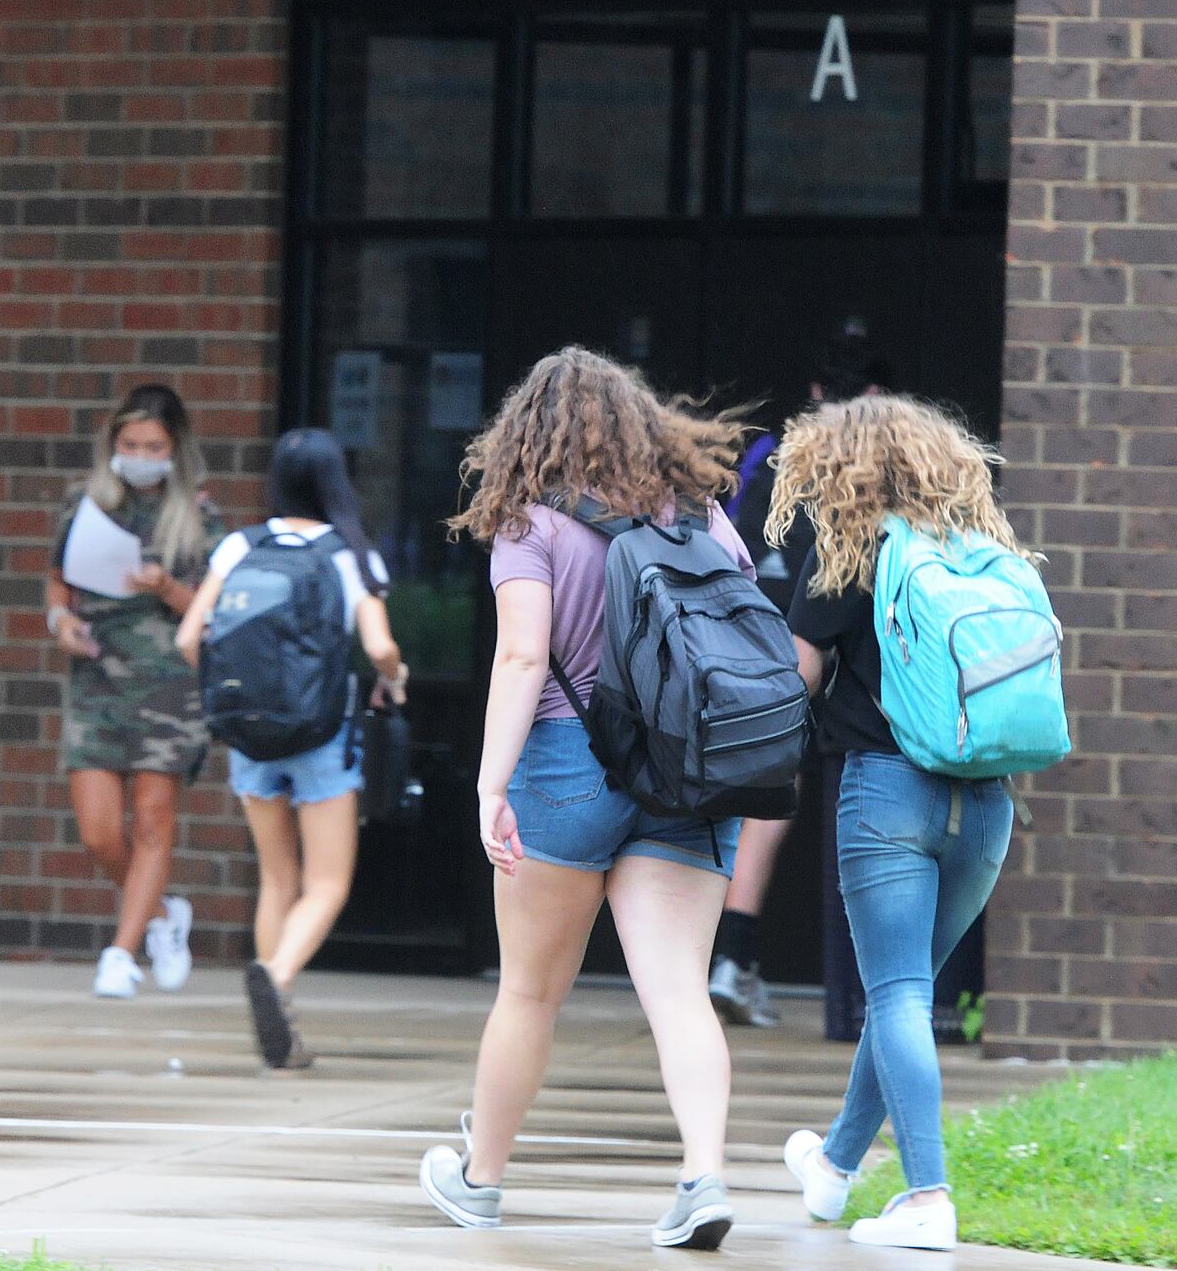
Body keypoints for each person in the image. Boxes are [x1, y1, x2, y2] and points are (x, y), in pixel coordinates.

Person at [423, 346, 756, 1248]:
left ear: (525, 431)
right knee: (680, 989)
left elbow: (523, 657)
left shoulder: (530, 522)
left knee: (529, 992)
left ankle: (480, 1179)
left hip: (568, 761)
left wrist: (491, 782)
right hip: (686, 770)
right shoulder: (707, 521)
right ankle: (703, 1174)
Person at [766, 395, 1022, 1252]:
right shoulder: (988, 551)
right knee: (901, 991)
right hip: (985, 803)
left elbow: (795, 676)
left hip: (887, 792)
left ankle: (925, 1194)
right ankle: (836, 1170)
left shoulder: (854, 549)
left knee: (899, 993)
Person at [175, 428, 406, 1070]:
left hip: (250, 733)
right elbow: (381, 647)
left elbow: (189, 639)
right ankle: (275, 982)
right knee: (327, 882)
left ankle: (280, 1021)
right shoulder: (349, 555)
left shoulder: (238, 547)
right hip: (322, 733)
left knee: (277, 878)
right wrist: (394, 677)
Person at [709, 340, 892, 1030]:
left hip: (751, 647)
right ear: (877, 397)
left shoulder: (773, 459)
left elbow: (729, 545)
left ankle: (729, 954)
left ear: (816, 389)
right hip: (831, 663)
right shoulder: (877, 469)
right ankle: (861, 983)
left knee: (752, 802)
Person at [46, 384, 225, 999]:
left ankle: (120, 954)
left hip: (169, 685)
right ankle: (159, 916)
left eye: (154, 445)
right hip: (97, 679)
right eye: (130, 444)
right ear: (112, 444)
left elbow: (210, 606)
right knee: (99, 831)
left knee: (153, 819)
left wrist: (164, 587)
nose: (141, 454)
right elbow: (58, 582)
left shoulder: (199, 517)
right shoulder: (84, 504)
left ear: (176, 449)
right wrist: (60, 622)